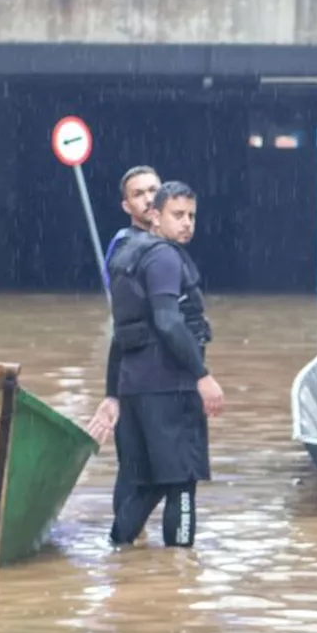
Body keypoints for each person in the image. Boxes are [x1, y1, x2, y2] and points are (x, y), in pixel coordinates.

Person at [86, 181, 225, 549]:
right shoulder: (163, 257)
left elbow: (121, 333)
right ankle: (180, 577)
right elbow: (167, 321)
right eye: (177, 215)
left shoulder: (125, 257)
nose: (187, 224)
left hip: (134, 389)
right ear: (155, 216)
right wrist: (202, 375)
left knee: (146, 483)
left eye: (192, 216)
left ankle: (117, 551)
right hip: (170, 388)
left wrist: (113, 394)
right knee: (181, 482)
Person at [102, 165, 161, 291]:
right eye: (138, 194)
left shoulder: (174, 238)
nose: (149, 199)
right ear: (126, 206)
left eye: (153, 190)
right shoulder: (124, 244)